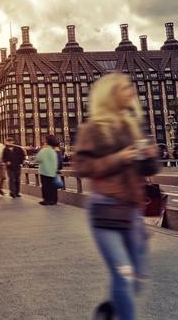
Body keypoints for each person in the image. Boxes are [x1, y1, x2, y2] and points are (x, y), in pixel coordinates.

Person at [74, 73, 158, 320]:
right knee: (123, 273)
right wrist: (119, 158)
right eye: (124, 88)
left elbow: (149, 169)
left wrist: (149, 157)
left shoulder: (133, 127)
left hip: (132, 211)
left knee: (135, 277)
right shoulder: (92, 130)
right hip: (105, 210)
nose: (131, 91)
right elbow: (82, 167)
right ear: (110, 95)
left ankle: (110, 310)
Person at [35, 135, 60, 205]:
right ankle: (54, 200)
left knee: (46, 187)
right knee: (53, 186)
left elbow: (38, 159)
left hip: (44, 171)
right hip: (53, 171)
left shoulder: (44, 150)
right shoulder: (54, 150)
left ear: (46, 142)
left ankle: (47, 200)